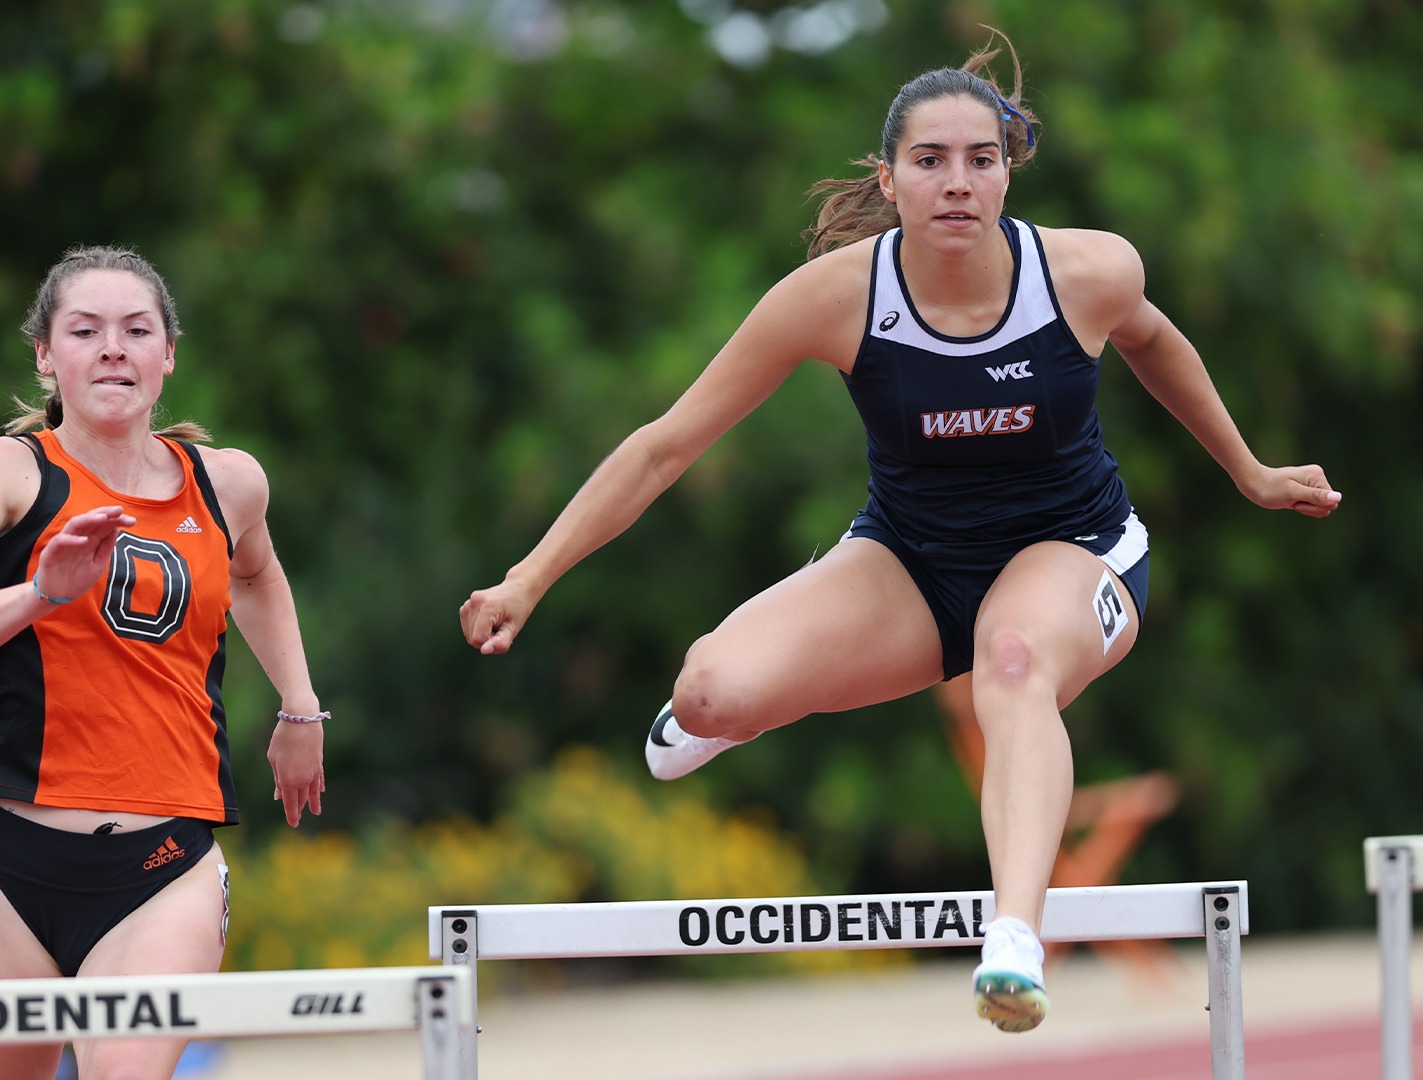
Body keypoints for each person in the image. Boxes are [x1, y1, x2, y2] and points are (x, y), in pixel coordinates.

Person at [460, 36, 1338, 1033]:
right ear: (890, 178)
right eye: (930, 161)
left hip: (1077, 553)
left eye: (981, 159)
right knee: (709, 690)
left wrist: (1249, 470)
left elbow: (1156, 340)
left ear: (1009, 168)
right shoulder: (837, 300)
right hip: (913, 564)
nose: (957, 183)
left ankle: (1013, 939)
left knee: (1011, 662)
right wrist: (529, 577)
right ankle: (729, 714)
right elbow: (665, 447)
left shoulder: (1088, 271)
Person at [0, 246, 327, 1080]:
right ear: (46, 355)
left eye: (135, 329)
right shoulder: (14, 476)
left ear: (167, 354)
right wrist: (41, 590)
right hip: (11, 857)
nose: (113, 347)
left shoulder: (229, 484)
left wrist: (299, 706)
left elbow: (256, 573)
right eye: (86, 329)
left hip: (161, 866)